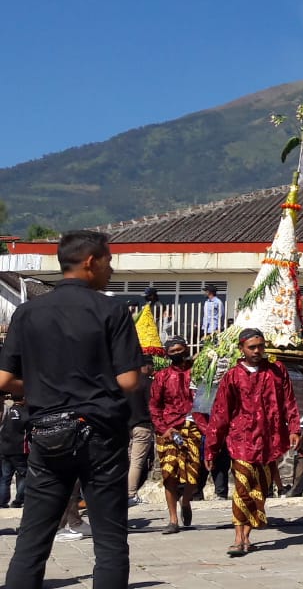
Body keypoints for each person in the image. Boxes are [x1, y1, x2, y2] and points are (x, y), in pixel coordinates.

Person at [0, 230, 145, 589]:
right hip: (100, 435)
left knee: (32, 541)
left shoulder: (27, 312)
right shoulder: (112, 309)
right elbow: (128, 381)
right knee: (110, 541)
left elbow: (4, 380)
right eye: (109, 261)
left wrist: (41, 392)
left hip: (47, 432)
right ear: (90, 262)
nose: (111, 270)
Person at [204, 328, 300, 557]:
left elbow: (289, 401)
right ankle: (238, 538)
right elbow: (220, 413)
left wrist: (294, 428)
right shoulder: (232, 376)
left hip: (269, 442)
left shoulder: (277, 371)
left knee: (260, 491)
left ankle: (247, 536)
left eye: (260, 346)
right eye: (252, 347)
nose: (257, 351)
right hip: (241, 442)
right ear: (242, 349)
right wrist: (212, 448)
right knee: (242, 490)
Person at [149, 338, 202, 534]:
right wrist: (164, 429)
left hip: (193, 427)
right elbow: (154, 406)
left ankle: (186, 501)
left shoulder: (198, 372)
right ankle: (172, 519)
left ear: (186, 349)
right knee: (169, 474)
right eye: (172, 351)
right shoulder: (162, 377)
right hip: (168, 430)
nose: (176, 354)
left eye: (179, 350)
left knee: (192, 474)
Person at [126, 361, 155, 506]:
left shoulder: (128, 382)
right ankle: (130, 494)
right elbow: (152, 405)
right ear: (147, 366)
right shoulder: (147, 383)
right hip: (142, 426)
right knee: (137, 462)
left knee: (129, 460)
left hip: (127, 425)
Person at [0, 394, 28, 508]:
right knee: (25, 475)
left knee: (5, 478)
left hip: (4, 449)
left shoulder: (8, 411)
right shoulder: (24, 412)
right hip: (18, 449)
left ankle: (2, 502)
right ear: (23, 398)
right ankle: (18, 501)